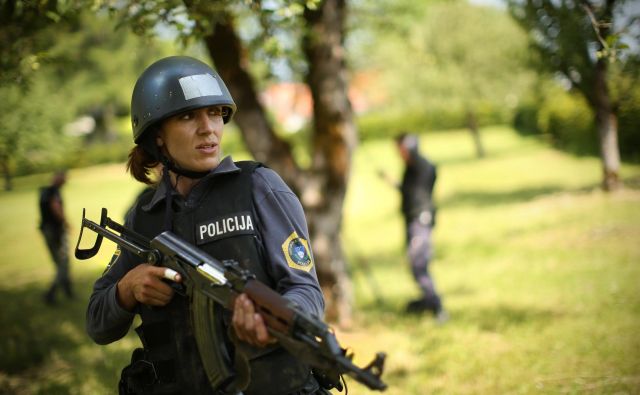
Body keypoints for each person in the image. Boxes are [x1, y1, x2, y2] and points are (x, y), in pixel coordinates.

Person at [85, 56, 327, 395]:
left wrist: (278, 319)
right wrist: (128, 288)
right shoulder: (143, 217)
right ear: (157, 136)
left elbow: (307, 290)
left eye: (215, 113)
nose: (208, 128)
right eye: (188, 116)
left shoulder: (258, 187)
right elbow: (98, 324)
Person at [381, 133, 447, 322]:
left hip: (420, 219)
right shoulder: (411, 168)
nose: (398, 154)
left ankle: (436, 305)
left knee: (418, 262)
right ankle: (426, 301)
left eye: (400, 149)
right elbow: (409, 190)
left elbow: (426, 175)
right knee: (415, 262)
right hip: (413, 219)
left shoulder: (420, 165)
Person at [39, 170, 73, 304]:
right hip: (56, 231)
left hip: (46, 230)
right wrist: (65, 222)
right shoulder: (54, 192)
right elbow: (55, 207)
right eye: (64, 178)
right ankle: (51, 293)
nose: (65, 181)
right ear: (57, 177)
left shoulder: (43, 191)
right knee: (63, 263)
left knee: (60, 263)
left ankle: (67, 290)